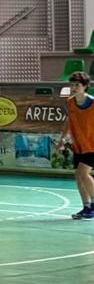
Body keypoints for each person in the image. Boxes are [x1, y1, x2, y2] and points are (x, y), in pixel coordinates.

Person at [59, 71, 94, 220]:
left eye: (77, 85)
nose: (73, 87)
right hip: (78, 144)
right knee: (78, 175)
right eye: (71, 85)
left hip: (92, 145)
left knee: (83, 172)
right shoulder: (69, 102)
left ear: (85, 86)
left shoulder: (93, 103)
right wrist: (62, 138)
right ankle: (86, 206)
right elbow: (69, 121)